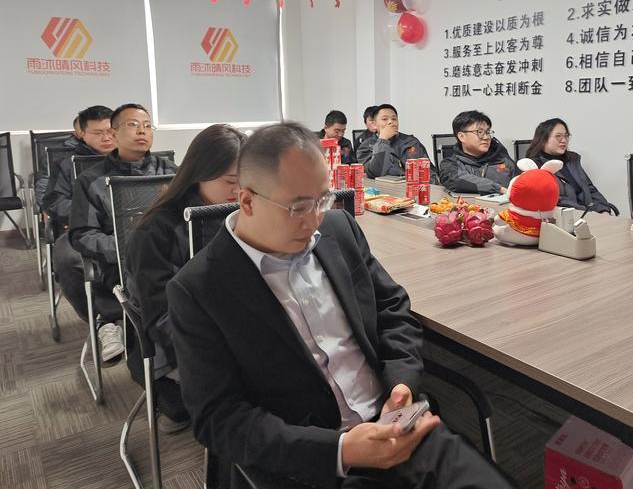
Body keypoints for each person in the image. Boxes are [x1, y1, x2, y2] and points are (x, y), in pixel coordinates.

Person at [167, 122, 516, 489]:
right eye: (298, 207)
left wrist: (401, 381)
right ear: (248, 201)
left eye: (323, 199)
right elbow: (219, 418)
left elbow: (392, 307)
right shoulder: (198, 288)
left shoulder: (338, 229)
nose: (314, 219)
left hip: (397, 425)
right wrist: (341, 450)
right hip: (312, 463)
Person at [125, 123, 246, 432]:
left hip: (234, 328)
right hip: (184, 345)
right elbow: (163, 319)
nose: (240, 191)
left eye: (248, 181)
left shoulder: (241, 217)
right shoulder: (156, 232)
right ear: (199, 173)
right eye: (231, 181)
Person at [66, 103, 177, 363]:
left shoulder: (171, 172)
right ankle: (152, 359)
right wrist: (126, 248)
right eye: (132, 125)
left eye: (147, 125)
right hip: (120, 262)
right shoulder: (92, 180)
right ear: (114, 133)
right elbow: (82, 234)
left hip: (170, 257)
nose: (142, 131)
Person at [43, 106, 115, 238]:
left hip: (128, 229)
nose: (106, 138)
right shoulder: (67, 165)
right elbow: (55, 203)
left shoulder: (132, 160)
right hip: (85, 230)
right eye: (97, 133)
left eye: (111, 131)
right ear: (82, 134)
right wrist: (94, 214)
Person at [525, 117, 618, 215]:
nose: (564, 140)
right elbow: (558, 202)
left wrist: (603, 210)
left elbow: (591, 189)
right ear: (543, 139)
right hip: (566, 218)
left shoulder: (572, 159)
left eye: (566, 136)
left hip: (589, 215)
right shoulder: (535, 167)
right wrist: (588, 213)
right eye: (558, 136)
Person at [438, 110, 516, 195]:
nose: (486, 137)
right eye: (480, 132)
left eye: (488, 132)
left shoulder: (504, 161)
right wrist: (498, 189)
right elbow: (455, 180)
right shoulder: (450, 165)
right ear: (462, 136)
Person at [356, 104, 435, 179]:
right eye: (384, 119)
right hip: (386, 187)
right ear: (374, 125)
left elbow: (430, 171)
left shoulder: (411, 141)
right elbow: (375, 173)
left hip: (415, 186)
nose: (391, 122)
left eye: (394, 119)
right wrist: (383, 140)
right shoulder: (365, 147)